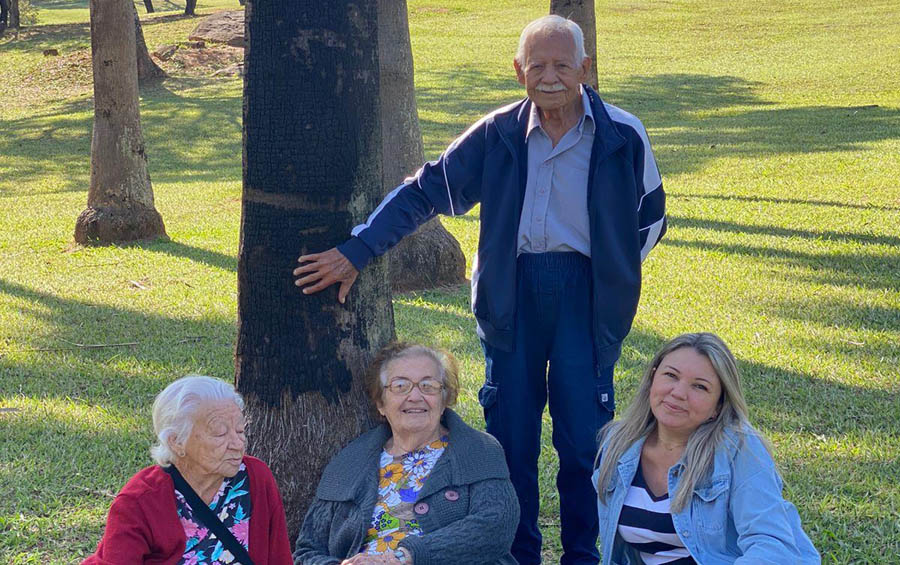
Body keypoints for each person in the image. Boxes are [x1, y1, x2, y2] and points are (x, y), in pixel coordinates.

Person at [293, 14, 665, 565]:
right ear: (518, 72)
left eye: (564, 64)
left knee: (584, 439)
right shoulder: (497, 134)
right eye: (537, 65)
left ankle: (585, 555)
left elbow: (650, 217)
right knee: (510, 438)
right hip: (511, 300)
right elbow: (423, 191)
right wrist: (359, 249)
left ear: (585, 69)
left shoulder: (622, 134)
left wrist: (610, 274)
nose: (551, 76)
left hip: (584, 304)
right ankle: (516, 555)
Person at [593, 333, 820, 564]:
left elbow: (772, 543)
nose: (679, 393)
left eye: (699, 387)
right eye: (671, 375)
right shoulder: (619, 442)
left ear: (718, 406)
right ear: (653, 378)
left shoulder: (739, 449)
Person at [294, 342, 519, 565]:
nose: (415, 396)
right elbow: (307, 551)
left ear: (444, 400)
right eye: (400, 386)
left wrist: (404, 557)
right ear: (380, 403)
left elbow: (496, 524)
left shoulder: (478, 449)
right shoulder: (350, 462)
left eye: (428, 386)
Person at [84, 375, 293, 565]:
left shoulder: (255, 478)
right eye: (220, 433)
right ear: (176, 442)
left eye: (240, 430)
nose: (238, 444)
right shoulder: (140, 501)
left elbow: (279, 558)